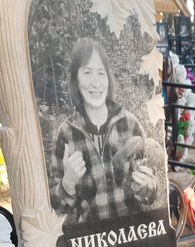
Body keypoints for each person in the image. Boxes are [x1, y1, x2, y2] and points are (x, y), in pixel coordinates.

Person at [51, 37, 158, 223]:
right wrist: (67, 183)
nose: (96, 82)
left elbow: (149, 196)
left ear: (108, 79)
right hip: (90, 238)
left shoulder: (129, 123)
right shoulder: (66, 134)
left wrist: (144, 186)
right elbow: (56, 208)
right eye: (87, 73)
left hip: (131, 234)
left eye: (101, 73)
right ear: (76, 80)